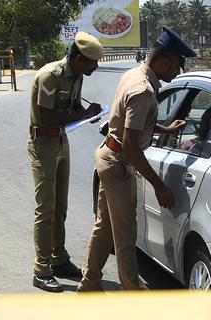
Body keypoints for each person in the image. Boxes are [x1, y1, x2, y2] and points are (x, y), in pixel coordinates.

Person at [78, 28, 195, 292]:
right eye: (177, 66)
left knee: (105, 227)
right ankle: (134, 295)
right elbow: (131, 144)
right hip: (118, 164)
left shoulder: (135, 74)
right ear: (165, 61)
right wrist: (159, 185)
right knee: (126, 236)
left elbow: (132, 125)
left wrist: (164, 129)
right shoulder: (143, 90)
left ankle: (89, 283)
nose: (178, 73)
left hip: (108, 157)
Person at [28, 32, 103, 293]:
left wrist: (88, 113)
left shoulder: (77, 75)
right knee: (45, 209)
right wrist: (82, 113)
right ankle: (42, 270)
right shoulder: (52, 75)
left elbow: (70, 112)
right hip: (44, 144)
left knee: (61, 208)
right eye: (93, 62)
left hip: (61, 141)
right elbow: (45, 116)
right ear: (80, 59)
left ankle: (58, 259)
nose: (96, 66)